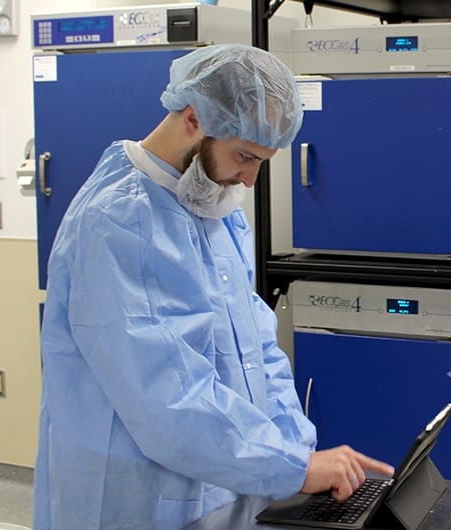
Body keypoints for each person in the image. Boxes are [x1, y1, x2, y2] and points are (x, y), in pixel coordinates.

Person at [33, 44, 393, 530]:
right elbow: (166, 398)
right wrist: (291, 468)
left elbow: (258, 349)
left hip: (225, 484)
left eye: (262, 160)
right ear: (193, 119)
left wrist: (294, 448)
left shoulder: (213, 205)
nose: (250, 178)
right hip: (134, 500)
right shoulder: (118, 222)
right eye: (245, 156)